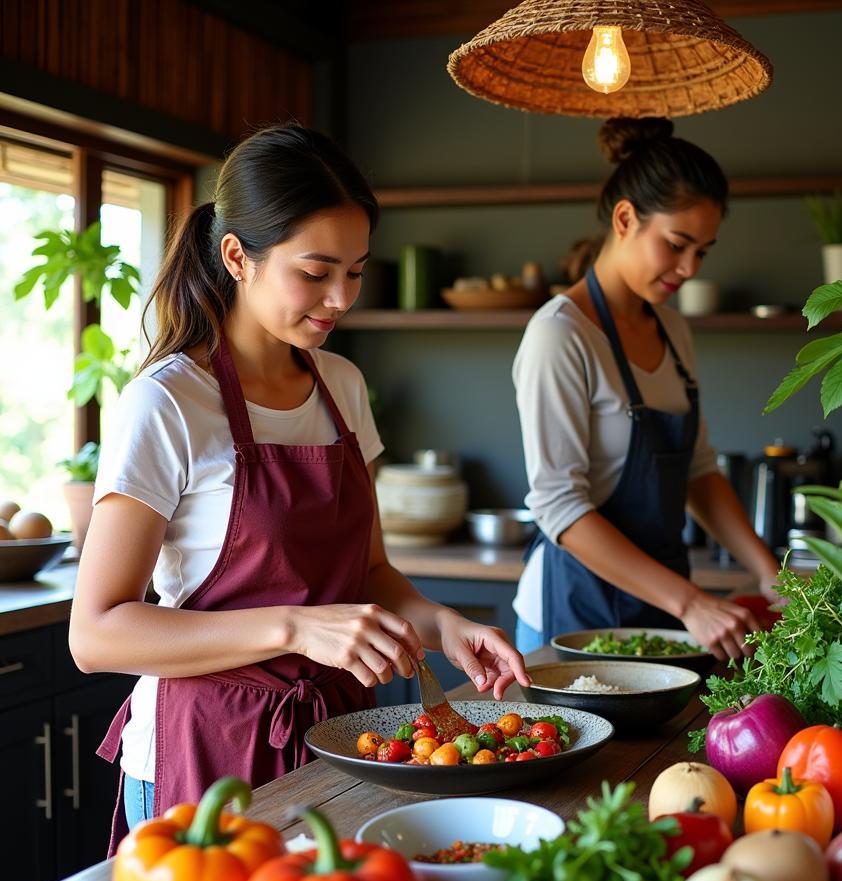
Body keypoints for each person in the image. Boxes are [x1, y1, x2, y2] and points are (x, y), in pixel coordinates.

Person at [70, 123, 530, 844]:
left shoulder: (341, 385)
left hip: (340, 734)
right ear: (237, 257)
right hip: (203, 753)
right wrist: (294, 626)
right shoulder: (168, 402)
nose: (341, 296)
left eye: (355, 270)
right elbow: (95, 634)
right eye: (316, 272)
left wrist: (447, 627)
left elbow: (371, 571)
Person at [513, 117, 780, 662]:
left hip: (665, 612)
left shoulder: (672, 328)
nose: (688, 268)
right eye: (677, 244)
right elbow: (559, 507)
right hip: (575, 616)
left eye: (702, 251)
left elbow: (700, 472)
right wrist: (691, 603)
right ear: (626, 218)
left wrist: (772, 573)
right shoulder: (558, 334)